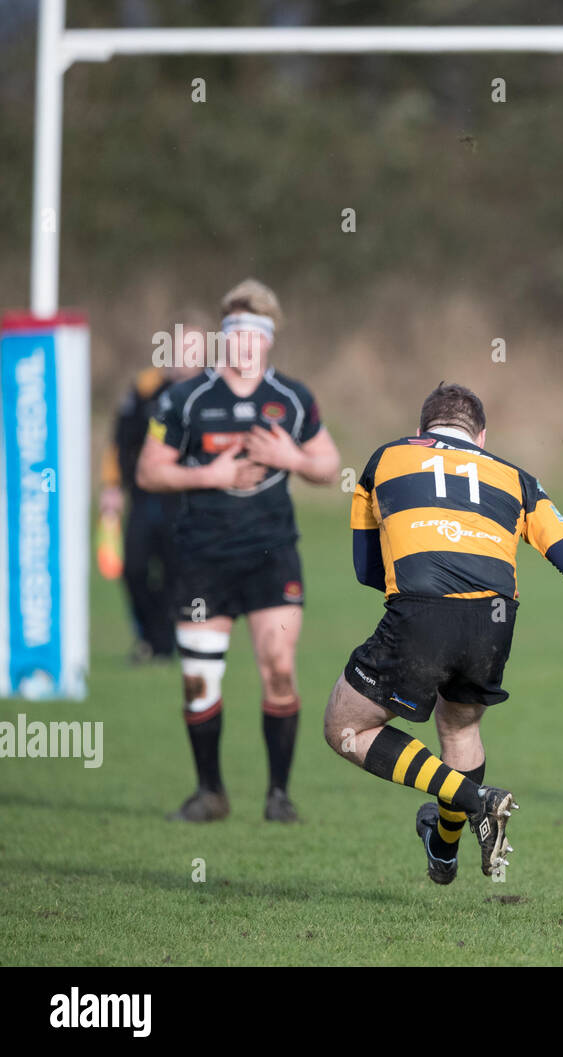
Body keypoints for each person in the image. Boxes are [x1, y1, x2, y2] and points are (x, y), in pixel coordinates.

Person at [323, 382, 563, 883]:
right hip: (494, 620)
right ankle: (444, 850)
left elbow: (367, 569)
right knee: (460, 728)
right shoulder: (516, 477)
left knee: (346, 728)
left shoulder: (384, 459)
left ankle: (479, 800)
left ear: (420, 431)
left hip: (421, 610)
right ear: (480, 436)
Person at [137, 279, 340, 823]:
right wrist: (211, 473)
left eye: (254, 332)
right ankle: (210, 793)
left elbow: (329, 466)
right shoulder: (186, 398)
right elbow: (148, 471)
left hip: (272, 555)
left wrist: (291, 457)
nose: (242, 342)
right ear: (223, 337)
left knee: (278, 667)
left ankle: (278, 795)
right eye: (234, 332)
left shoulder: (294, 399)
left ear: (269, 340)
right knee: (200, 678)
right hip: (202, 558)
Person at [99, 326, 204, 662]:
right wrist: (111, 486)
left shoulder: (209, 394)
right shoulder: (145, 388)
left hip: (186, 501)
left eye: (193, 350)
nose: (185, 357)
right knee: (134, 569)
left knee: (177, 572)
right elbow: (119, 440)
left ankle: (162, 645)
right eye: (180, 348)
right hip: (145, 497)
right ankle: (153, 638)